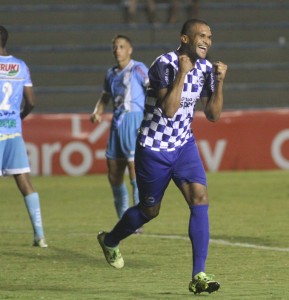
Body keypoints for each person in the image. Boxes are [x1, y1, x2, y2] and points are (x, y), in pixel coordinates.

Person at [97, 19, 227, 295]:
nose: (207, 40)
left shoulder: (205, 68)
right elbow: (168, 110)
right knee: (149, 211)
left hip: (183, 145)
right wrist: (182, 73)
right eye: (201, 35)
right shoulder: (164, 64)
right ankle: (110, 240)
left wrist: (219, 81)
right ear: (184, 39)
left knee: (200, 198)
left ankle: (198, 275)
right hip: (154, 149)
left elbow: (214, 115)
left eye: (210, 36)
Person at [90, 34, 149, 221]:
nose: (118, 50)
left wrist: (150, 116)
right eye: (115, 47)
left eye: (122, 46)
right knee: (114, 172)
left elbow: (152, 90)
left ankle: (138, 219)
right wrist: (98, 111)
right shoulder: (110, 73)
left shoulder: (138, 69)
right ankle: (124, 218)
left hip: (135, 121)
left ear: (130, 49)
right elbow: (105, 96)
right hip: (117, 123)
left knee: (134, 169)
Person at [0, 25, 47, 248]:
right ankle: (40, 235)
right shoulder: (20, 66)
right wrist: (19, 117)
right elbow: (32, 102)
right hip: (13, 131)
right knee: (25, 182)